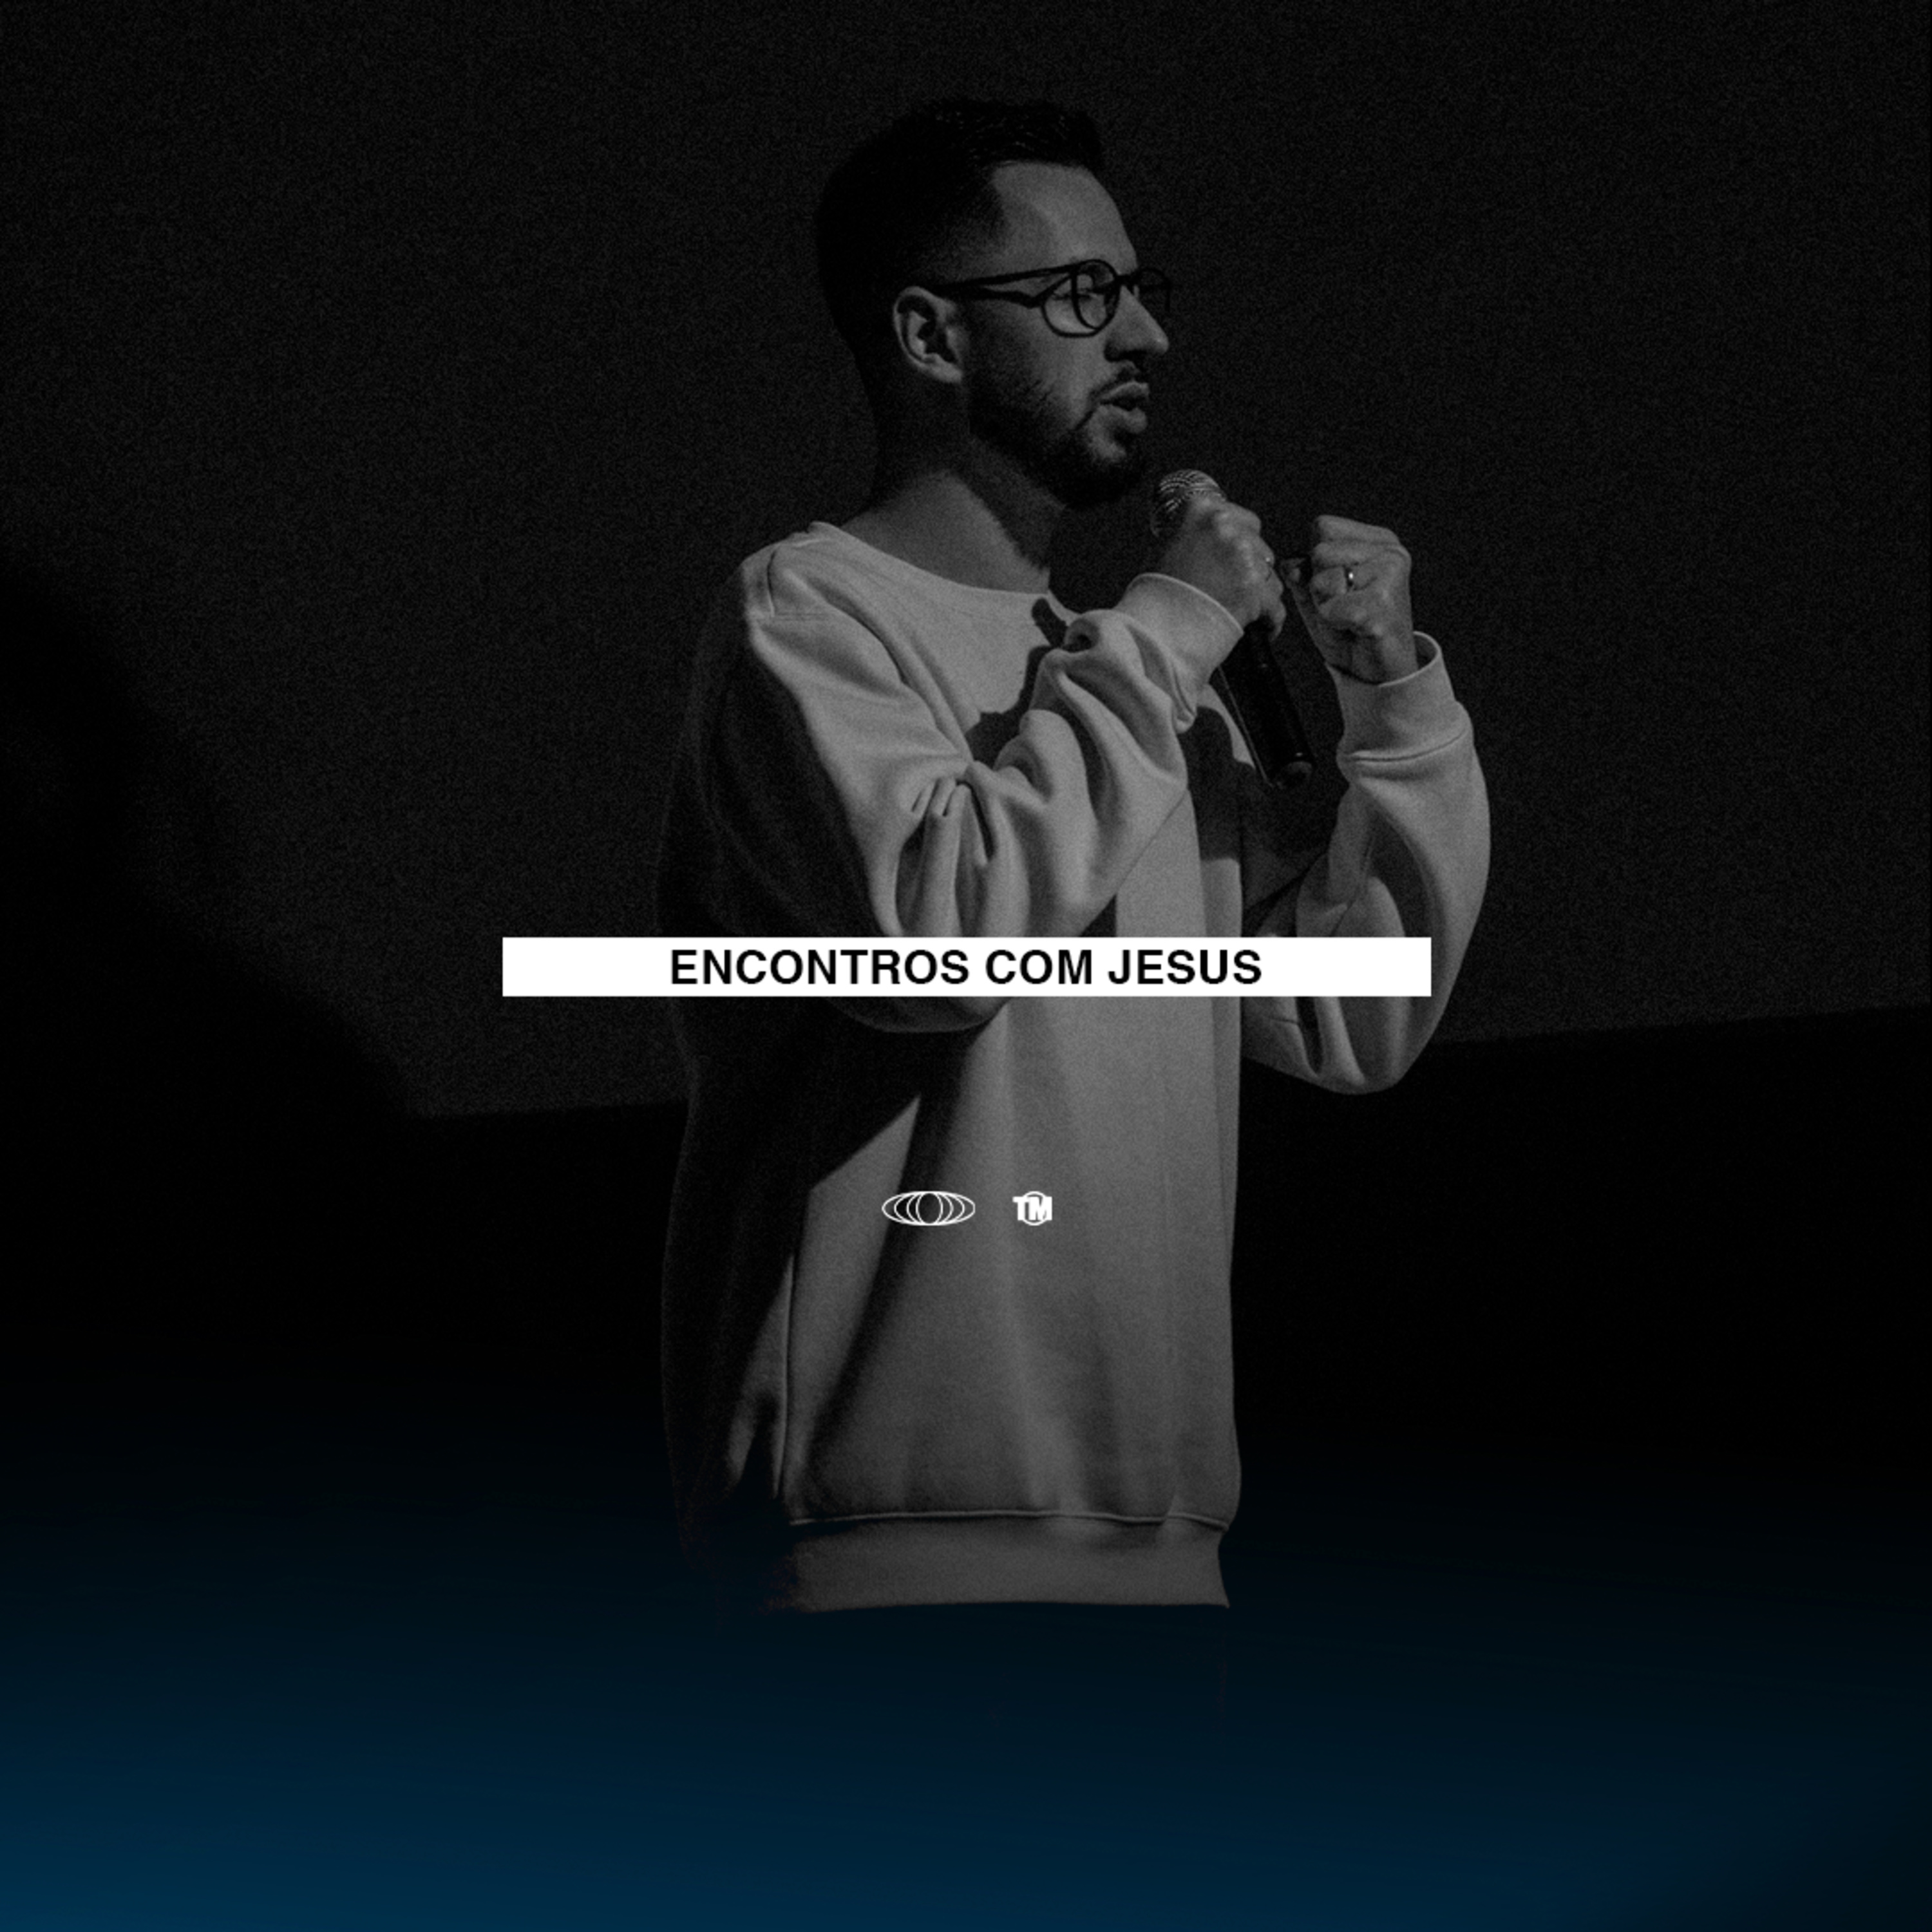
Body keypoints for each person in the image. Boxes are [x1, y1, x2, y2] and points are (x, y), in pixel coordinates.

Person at [652, 99, 1488, 1757]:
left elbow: (1353, 1017)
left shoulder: (1129, 671)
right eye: (1082, 294)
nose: (1148, 336)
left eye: (1139, 289)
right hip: (883, 1577)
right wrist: (1168, 629)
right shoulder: (809, 614)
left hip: (1160, 1565)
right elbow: (938, 938)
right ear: (930, 337)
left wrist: (1395, 698)